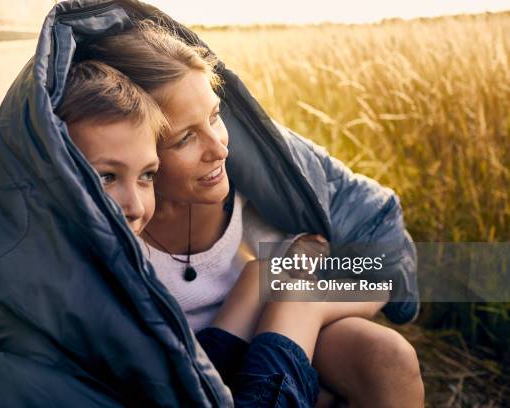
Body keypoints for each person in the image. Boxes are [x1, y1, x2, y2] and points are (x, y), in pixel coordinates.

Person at [80, 19, 425, 407]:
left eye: (214, 116)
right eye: (185, 138)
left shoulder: (247, 193)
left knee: (387, 355)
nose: (219, 148)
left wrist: (326, 276)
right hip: (186, 369)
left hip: (254, 327)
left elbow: (303, 274)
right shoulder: (117, 219)